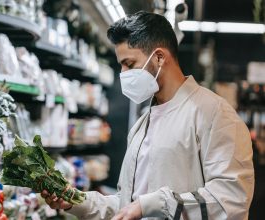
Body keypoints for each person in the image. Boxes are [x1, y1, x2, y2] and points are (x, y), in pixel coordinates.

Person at [42, 11, 255, 220]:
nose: (123, 74)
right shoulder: (143, 123)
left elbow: (230, 201)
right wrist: (77, 201)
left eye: (129, 64)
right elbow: (129, 204)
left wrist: (153, 204)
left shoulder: (214, 114)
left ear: (160, 57)